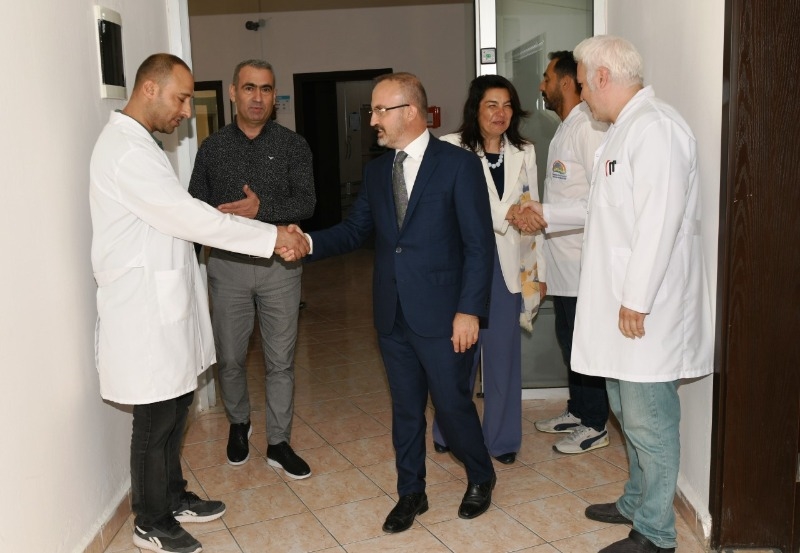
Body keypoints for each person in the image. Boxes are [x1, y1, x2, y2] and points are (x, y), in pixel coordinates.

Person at [89, 53, 309, 553]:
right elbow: (190, 216)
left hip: (162, 303)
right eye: (182, 98)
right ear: (150, 89)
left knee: (176, 405)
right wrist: (271, 235)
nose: (187, 111)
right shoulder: (125, 151)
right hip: (142, 309)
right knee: (155, 418)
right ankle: (150, 520)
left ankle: (172, 496)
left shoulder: (142, 145)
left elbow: (182, 216)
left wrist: (270, 226)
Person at [306, 72, 497, 533]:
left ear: (410, 112)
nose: (372, 119)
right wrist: (306, 243)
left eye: (379, 110)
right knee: (406, 409)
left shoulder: (457, 165)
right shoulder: (377, 171)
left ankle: (480, 475)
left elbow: (478, 245)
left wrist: (469, 310)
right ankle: (412, 491)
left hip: (444, 314)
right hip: (392, 313)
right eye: (372, 110)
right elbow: (355, 231)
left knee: (451, 405)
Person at [570, 36, 713, 553]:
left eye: (582, 84)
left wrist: (637, 298)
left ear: (602, 77)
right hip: (624, 307)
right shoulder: (624, 130)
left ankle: (655, 533)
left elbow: (660, 221)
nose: (582, 95)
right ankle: (636, 500)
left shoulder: (657, 128)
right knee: (625, 409)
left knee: (649, 419)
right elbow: (605, 214)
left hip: (646, 309)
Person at [189, 60, 316, 478]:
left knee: (281, 361)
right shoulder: (211, 149)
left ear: (274, 95)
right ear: (233, 93)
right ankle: (238, 423)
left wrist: (262, 209)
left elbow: (307, 202)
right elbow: (194, 208)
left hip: (281, 267)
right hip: (228, 268)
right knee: (230, 357)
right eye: (249, 88)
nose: (257, 97)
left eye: (265, 89)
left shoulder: (293, 145)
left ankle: (278, 442)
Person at [431, 74, 546, 465]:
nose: (501, 113)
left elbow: (533, 211)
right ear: (475, 109)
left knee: (503, 359)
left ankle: (502, 440)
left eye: (507, 105)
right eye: (492, 105)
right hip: (463, 265)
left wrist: (541, 272)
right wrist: (507, 213)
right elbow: (455, 204)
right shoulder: (450, 147)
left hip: (509, 267)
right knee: (459, 353)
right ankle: (449, 430)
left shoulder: (525, 151)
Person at [526, 51, 611, 455]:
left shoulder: (589, 130)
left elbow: (600, 202)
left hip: (582, 264)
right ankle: (578, 411)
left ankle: (595, 424)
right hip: (562, 265)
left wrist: (544, 213)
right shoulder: (565, 128)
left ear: (564, 82)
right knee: (568, 341)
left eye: (546, 78)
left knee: (584, 345)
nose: (541, 86)